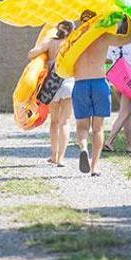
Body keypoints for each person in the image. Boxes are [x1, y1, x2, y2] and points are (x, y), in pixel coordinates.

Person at [72, 10, 131, 176]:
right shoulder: (104, 37)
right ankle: (95, 167)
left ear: (81, 22)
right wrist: (128, 18)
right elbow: (130, 38)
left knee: (82, 126)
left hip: (80, 83)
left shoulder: (74, 39)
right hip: (99, 83)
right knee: (98, 128)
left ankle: (84, 148)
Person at [27, 20, 76, 167]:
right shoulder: (72, 43)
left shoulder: (50, 42)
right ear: (72, 30)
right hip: (68, 83)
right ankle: (61, 158)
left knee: (54, 121)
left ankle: (53, 156)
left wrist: (44, 57)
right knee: (65, 122)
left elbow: (31, 54)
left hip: (51, 85)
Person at [103, 29, 131, 153]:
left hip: (117, 80)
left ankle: (130, 144)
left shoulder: (112, 43)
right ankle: (110, 141)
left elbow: (108, 60)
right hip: (130, 82)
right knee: (124, 113)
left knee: (127, 113)